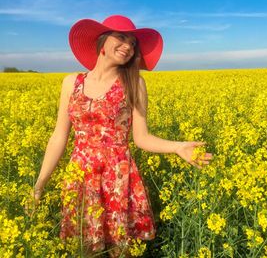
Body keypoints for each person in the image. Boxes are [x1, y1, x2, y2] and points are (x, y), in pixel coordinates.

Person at [24, 15, 213, 257]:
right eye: (121, 38)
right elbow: (58, 137)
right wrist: (39, 185)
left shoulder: (134, 82)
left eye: (132, 43)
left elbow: (142, 138)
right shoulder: (71, 83)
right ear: (102, 41)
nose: (128, 46)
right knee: (83, 248)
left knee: (119, 249)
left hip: (117, 178)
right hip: (80, 176)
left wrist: (177, 147)